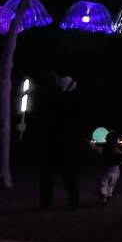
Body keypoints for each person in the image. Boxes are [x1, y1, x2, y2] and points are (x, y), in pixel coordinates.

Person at [38, 69, 82, 209]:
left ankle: (56, 202)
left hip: (61, 139)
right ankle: (49, 203)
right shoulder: (54, 97)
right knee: (53, 174)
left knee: (61, 173)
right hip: (58, 139)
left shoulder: (61, 97)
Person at [97, 129, 122, 204]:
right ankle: (108, 194)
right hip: (115, 169)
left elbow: (100, 154)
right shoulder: (117, 149)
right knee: (112, 183)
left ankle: (104, 194)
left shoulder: (106, 147)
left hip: (108, 168)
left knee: (104, 182)